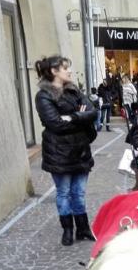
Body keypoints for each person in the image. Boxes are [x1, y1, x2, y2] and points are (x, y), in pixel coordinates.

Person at [34, 55, 99, 246]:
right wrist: (80, 117)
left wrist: (72, 117)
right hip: (59, 153)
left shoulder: (73, 90)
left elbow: (92, 111)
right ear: (54, 71)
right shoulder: (44, 96)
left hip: (80, 151)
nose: (70, 71)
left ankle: (83, 229)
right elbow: (55, 124)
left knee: (78, 193)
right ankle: (68, 230)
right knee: (63, 192)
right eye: (65, 68)